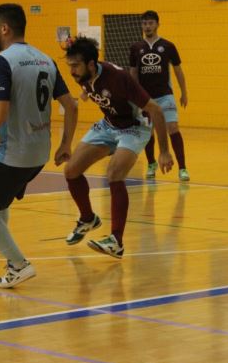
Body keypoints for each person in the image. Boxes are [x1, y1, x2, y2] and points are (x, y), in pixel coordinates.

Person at [0, 3, 78, 288]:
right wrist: (65, 144)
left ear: (4, 29)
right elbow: (71, 106)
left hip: (14, 153)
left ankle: (19, 264)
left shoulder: (3, 61)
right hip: (39, 153)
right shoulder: (46, 59)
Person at [64, 36, 173, 258]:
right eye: (70, 66)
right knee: (71, 170)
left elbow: (156, 111)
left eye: (75, 66)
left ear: (91, 64)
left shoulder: (119, 78)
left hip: (135, 127)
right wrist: (85, 94)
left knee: (114, 173)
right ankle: (88, 218)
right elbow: (89, 88)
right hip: (109, 124)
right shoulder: (84, 76)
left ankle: (116, 241)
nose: (72, 71)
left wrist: (163, 151)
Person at [129, 10, 189, 181]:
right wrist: (134, 97)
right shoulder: (136, 48)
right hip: (146, 98)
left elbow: (178, 71)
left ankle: (183, 168)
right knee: (148, 132)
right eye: (145, 23)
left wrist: (184, 92)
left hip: (165, 96)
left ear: (157, 24)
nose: (147, 26)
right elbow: (133, 73)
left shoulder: (168, 46)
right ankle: (151, 163)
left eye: (150, 23)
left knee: (173, 128)